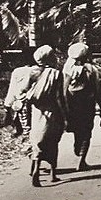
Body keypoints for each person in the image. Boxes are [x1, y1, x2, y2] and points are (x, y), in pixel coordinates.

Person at [26, 45, 66, 187]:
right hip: (52, 110)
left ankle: (35, 169)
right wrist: (65, 114)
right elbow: (59, 96)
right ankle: (53, 174)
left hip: (36, 111)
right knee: (53, 140)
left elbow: (26, 93)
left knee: (37, 140)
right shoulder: (55, 73)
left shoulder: (31, 72)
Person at [61, 42, 99, 171]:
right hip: (87, 105)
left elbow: (63, 89)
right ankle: (82, 159)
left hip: (72, 105)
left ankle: (78, 149)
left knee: (76, 130)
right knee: (86, 132)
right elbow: (97, 89)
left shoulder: (68, 69)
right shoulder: (92, 69)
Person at [4, 49, 41, 139]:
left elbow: (12, 89)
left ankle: (26, 139)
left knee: (26, 125)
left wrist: (7, 105)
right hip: (38, 102)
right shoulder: (41, 71)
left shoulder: (18, 71)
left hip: (22, 102)